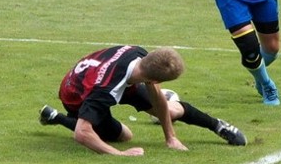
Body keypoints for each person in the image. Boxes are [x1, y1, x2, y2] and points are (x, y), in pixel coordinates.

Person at [38, 45, 246, 156]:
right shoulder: (104, 91)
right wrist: (120, 154)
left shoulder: (139, 55)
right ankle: (57, 117)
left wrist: (170, 138)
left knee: (171, 112)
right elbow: (82, 133)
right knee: (123, 135)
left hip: (110, 78)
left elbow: (156, 94)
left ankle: (217, 126)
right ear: (153, 77)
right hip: (75, 94)